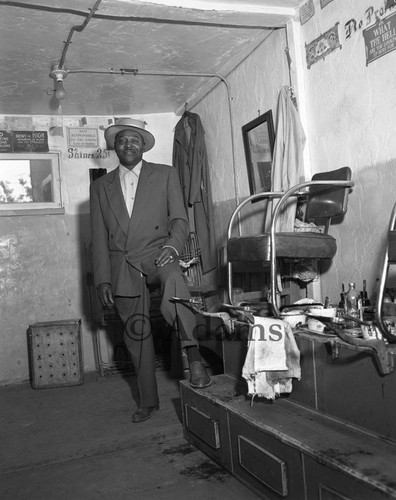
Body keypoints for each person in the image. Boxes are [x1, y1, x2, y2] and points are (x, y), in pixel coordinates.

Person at [90, 118, 211, 423]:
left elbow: (180, 221)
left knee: (174, 280)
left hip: (160, 253)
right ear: (114, 147)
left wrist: (172, 247)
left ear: (143, 146)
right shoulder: (100, 187)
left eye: (134, 140)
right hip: (122, 264)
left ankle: (193, 352)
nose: (127, 145)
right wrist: (102, 278)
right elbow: (98, 238)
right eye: (121, 140)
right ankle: (148, 400)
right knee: (137, 335)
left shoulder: (166, 175)